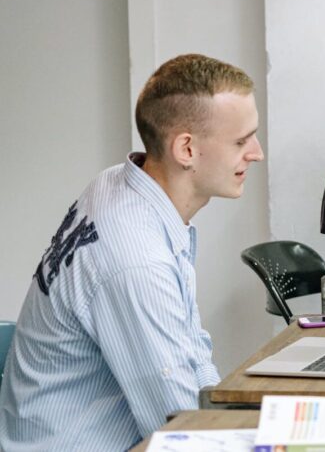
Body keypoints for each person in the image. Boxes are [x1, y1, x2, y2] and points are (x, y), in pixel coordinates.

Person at [0, 54, 265, 451]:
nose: (257, 153)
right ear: (186, 149)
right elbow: (182, 430)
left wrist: (227, 414)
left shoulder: (120, 183)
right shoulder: (135, 261)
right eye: (241, 141)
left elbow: (190, 348)